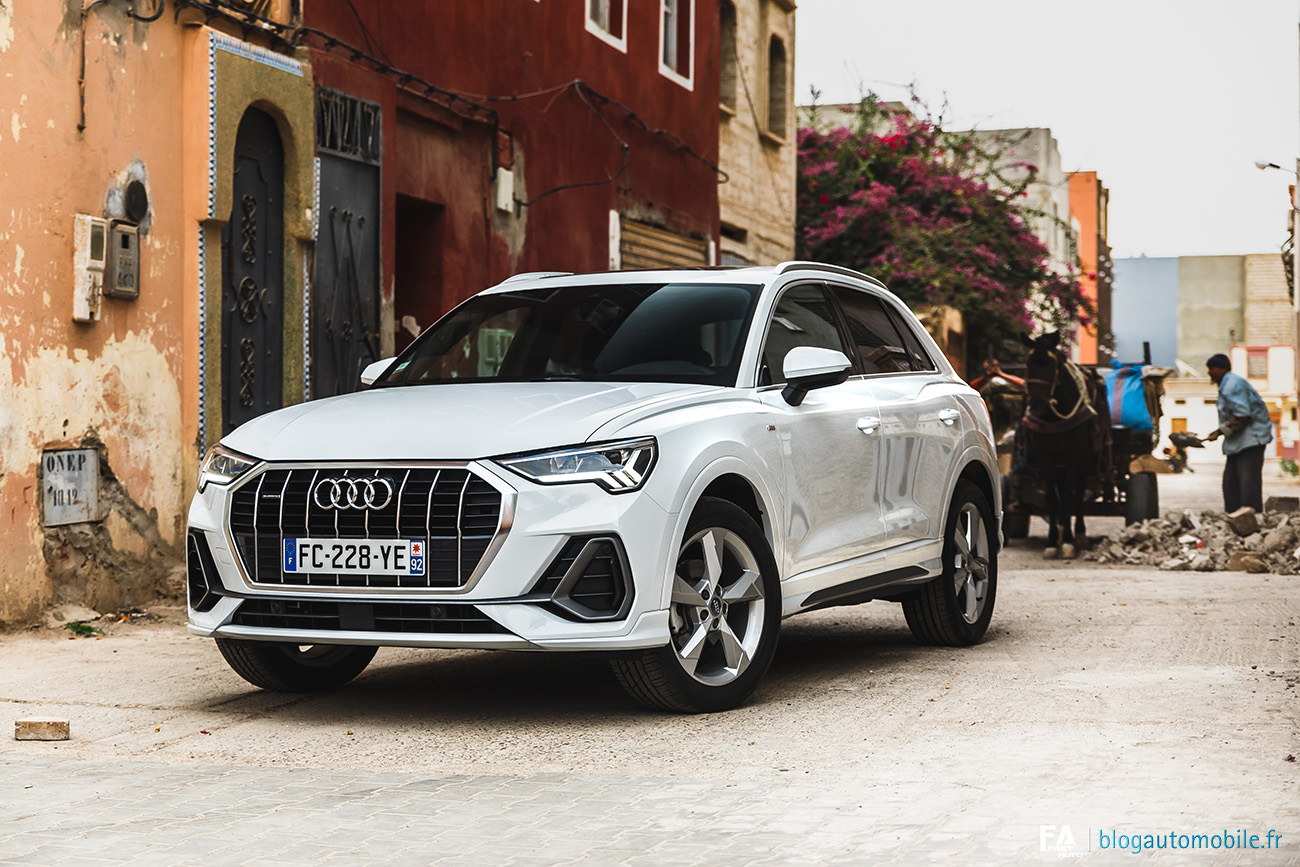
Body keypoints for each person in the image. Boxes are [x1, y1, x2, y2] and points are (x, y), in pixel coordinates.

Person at [1204, 353, 1272, 512]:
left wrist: (1219, 432)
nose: (1209, 372)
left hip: (1251, 442)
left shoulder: (1233, 384)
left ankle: (1252, 523)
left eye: (1211, 369)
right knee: (1231, 486)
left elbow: (1243, 416)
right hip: (1238, 444)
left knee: (1248, 488)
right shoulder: (1226, 385)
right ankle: (1234, 522)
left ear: (1221, 369)